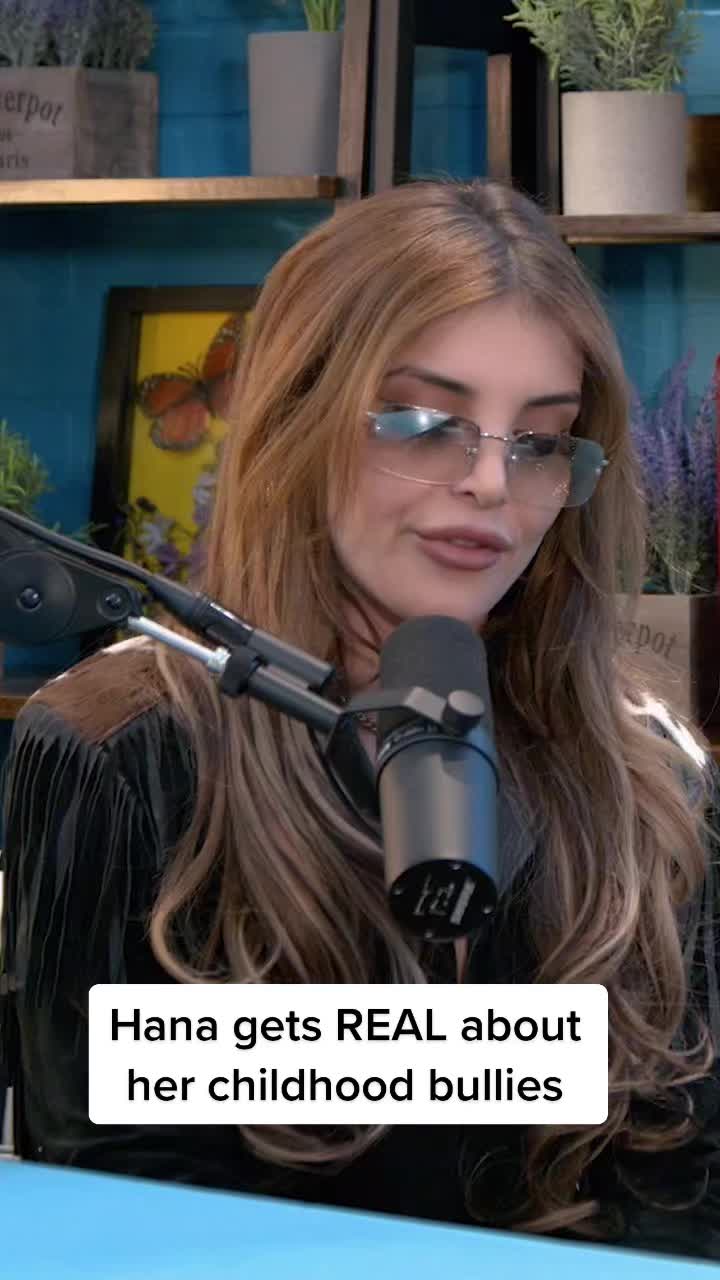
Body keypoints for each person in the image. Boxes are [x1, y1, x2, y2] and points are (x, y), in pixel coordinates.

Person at [1, 178, 718, 1259]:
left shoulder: (652, 771)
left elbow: (682, 1181)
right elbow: (128, 1213)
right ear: (298, 415)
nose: (490, 483)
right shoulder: (119, 747)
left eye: (540, 442)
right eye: (424, 425)